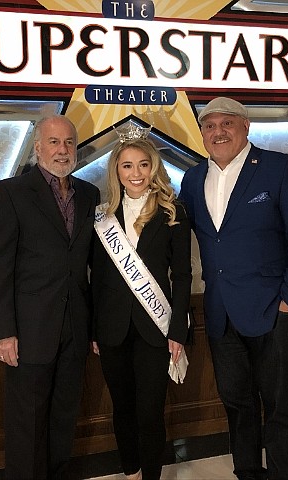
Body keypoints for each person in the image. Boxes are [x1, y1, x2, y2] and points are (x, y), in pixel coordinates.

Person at [179, 97, 288, 480]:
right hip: (221, 311)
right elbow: (173, 233)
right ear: (202, 133)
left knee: (278, 405)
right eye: (209, 125)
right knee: (236, 401)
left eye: (227, 123)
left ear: (245, 127)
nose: (218, 131)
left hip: (273, 310)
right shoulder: (192, 180)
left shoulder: (280, 168)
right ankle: (247, 471)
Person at [0, 114, 100, 480]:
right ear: (38, 148)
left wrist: (94, 326)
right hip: (28, 332)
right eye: (54, 142)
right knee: (27, 423)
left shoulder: (90, 194)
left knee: (64, 417)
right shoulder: (11, 192)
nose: (62, 150)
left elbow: (90, 269)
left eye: (69, 143)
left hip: (75, 329)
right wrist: (3, 332)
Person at [91, 137, 192, 480]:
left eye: (143, 164)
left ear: (154, 168)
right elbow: (96, 279)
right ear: (116, 171)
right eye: (127, 166)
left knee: (150, 412)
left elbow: (182, 275)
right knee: (123, 409)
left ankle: (150, 475)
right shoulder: (103, 217)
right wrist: (94, 330)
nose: (136, 173)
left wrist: (178, 330)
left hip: (156, 328)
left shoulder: (173, 212)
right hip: (112, 329)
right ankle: (130, 471)